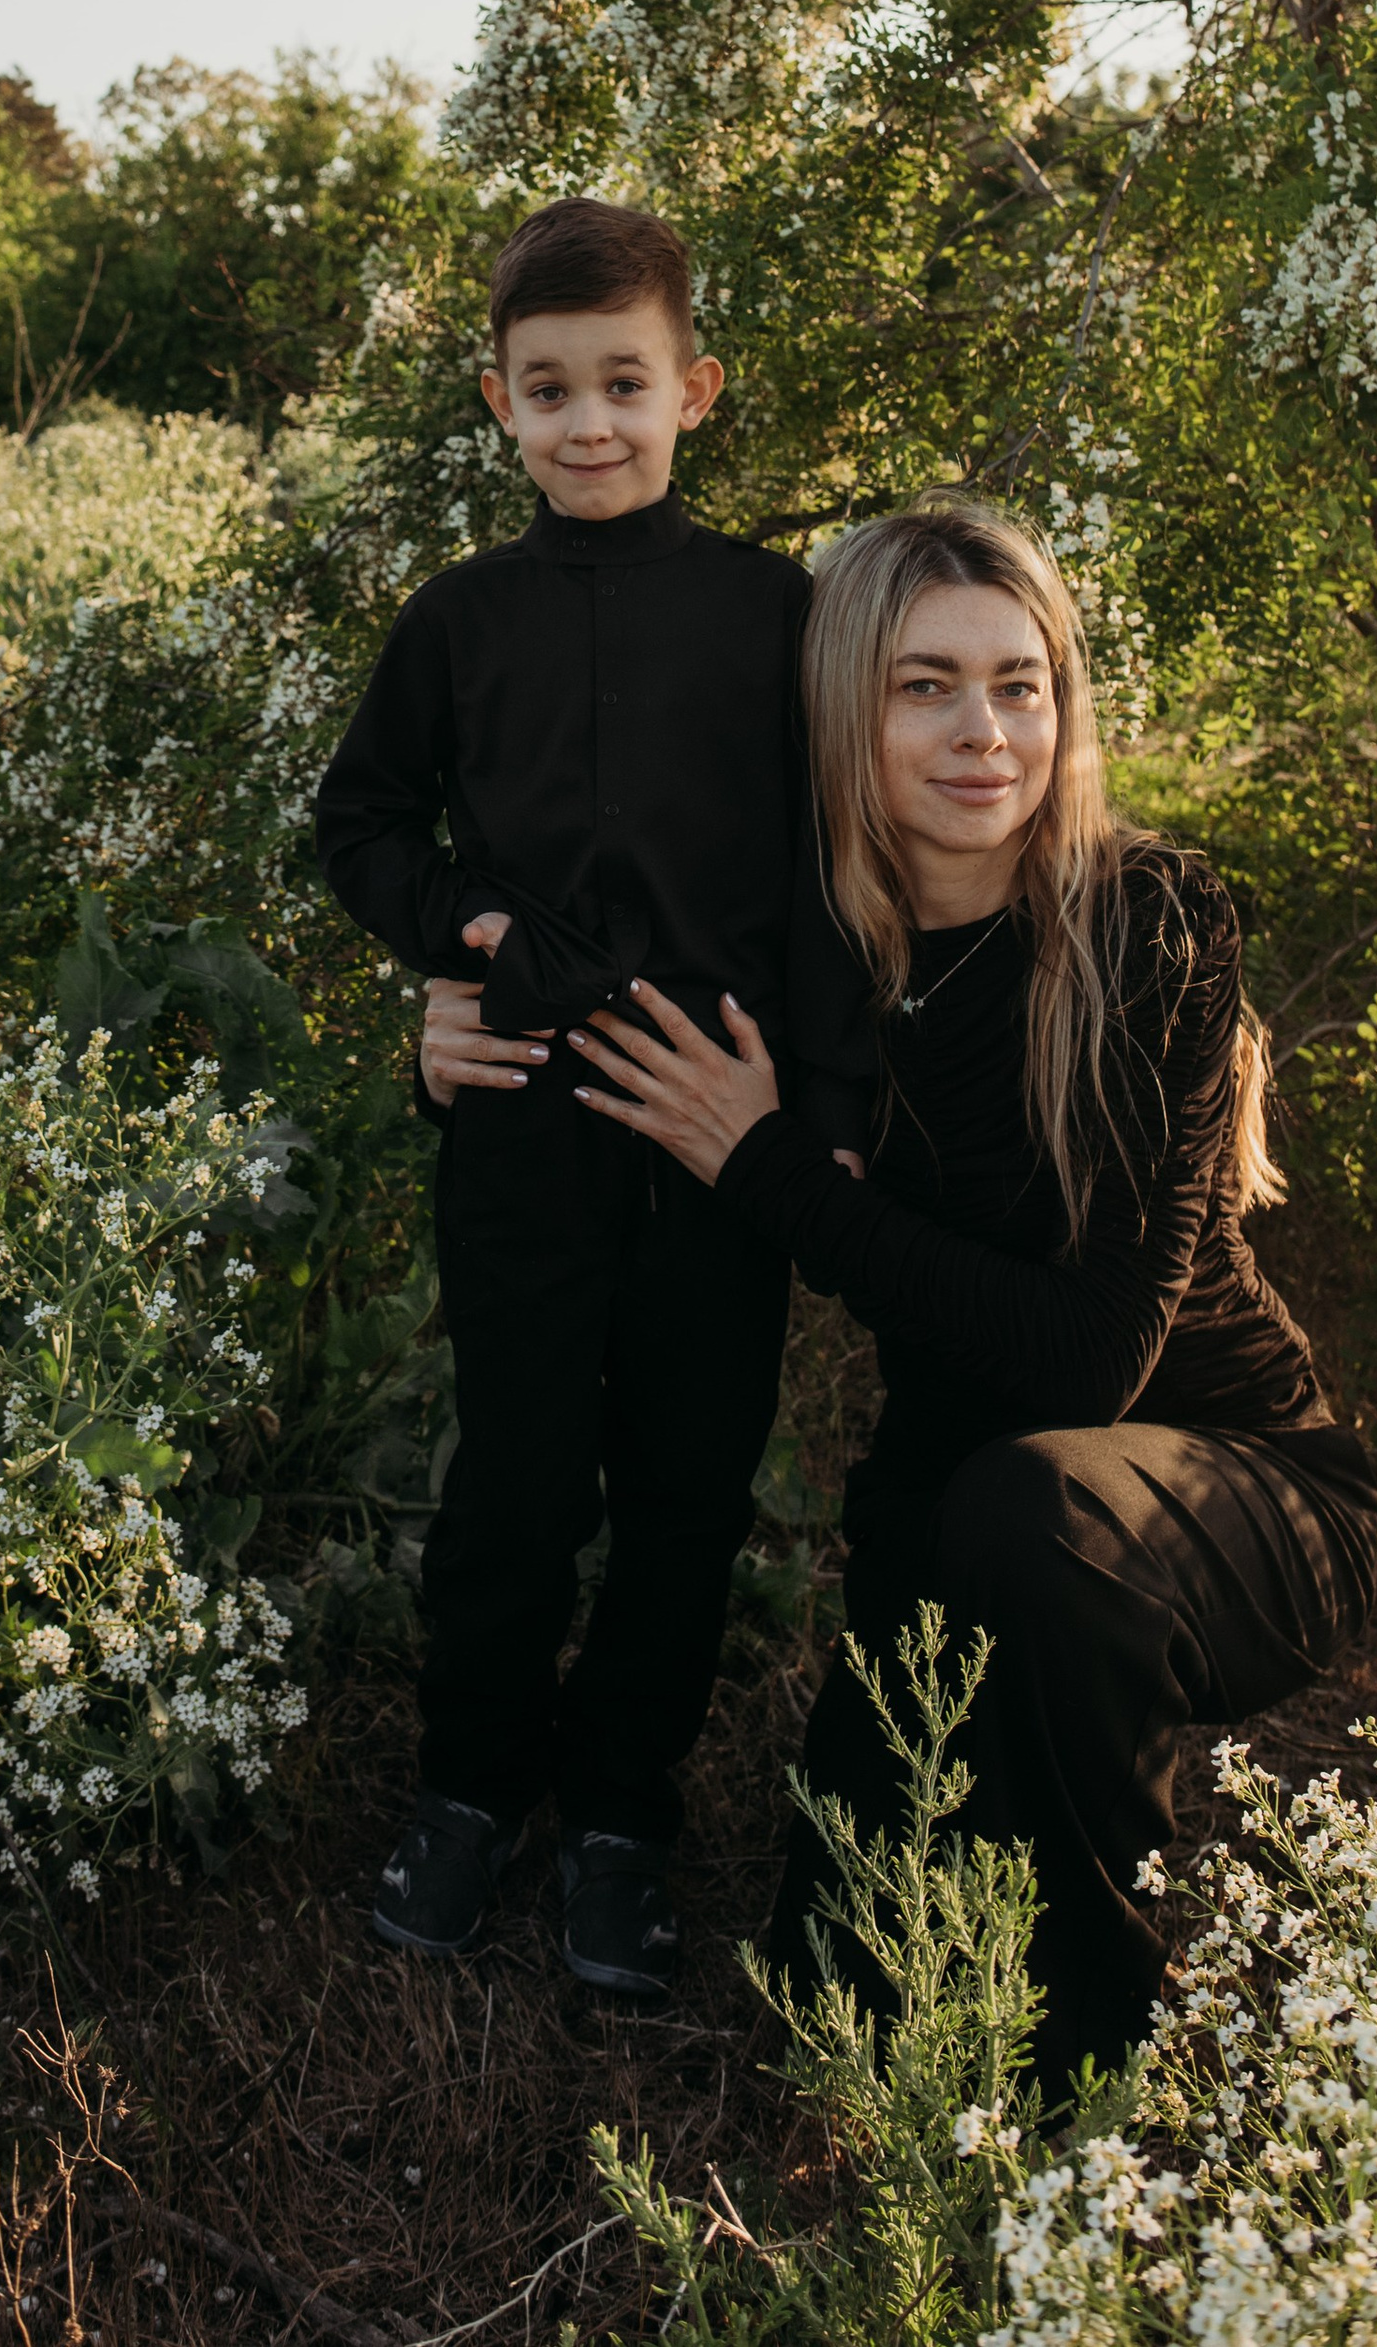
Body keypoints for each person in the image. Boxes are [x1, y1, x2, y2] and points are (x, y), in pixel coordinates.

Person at [426, 493, 1377, 2091]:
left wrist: (769, 1171)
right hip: (958, 1507)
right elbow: (585, 1007)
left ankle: (1097, 2082)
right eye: (923, 686)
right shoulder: (804, 957)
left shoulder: (1149, 922)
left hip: (1242, 1489)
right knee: (841, 1973)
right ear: (841, 712)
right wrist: (457, 1040)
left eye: (1019, 684)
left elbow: (1092, 1360)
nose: (982, 733)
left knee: (1036, 1512)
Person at [315, 196, 869, 2000]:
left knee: (690, 1492)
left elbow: (832, 875)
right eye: (548, 390)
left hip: (716, 1138)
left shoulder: (783, 615)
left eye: (625, 383)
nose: (590, 423)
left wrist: (816, 1107)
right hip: (525, 1126)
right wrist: (459, 933)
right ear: (500, 404)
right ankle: (471, 1790)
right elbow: (361, 822)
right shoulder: (460, 620)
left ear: (695, 389)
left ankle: (622, 1818)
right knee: (517, 1484)